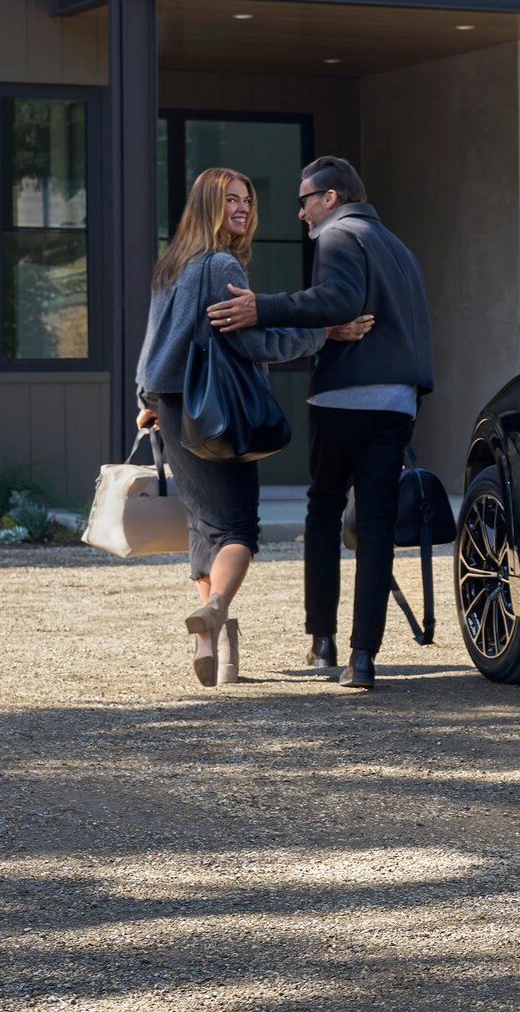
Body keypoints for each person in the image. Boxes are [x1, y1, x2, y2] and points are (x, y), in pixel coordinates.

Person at [134, 166, 373, 687]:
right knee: (239, 528)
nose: (242, 208)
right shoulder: (221, 264)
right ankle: (215, 605)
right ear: (208, 205)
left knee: (204, 525)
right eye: (230, 200)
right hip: (217, 409)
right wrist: (324, 334)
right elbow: (253, 341)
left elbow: (152, 345)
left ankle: (215, 649)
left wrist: (146, 400)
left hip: (170, 407)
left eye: (246, 200)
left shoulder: (169, 266)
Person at [207, 156, 434, 690]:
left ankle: (323, 639)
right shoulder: (399, 249)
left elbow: (338, 300)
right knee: (376, 524)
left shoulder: (338, 235)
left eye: (305, 200)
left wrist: (261, 307)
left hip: (344, 395)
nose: (301, 213)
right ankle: (364, 658)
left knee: (325, 507)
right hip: (398, 401)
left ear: (330, 198)